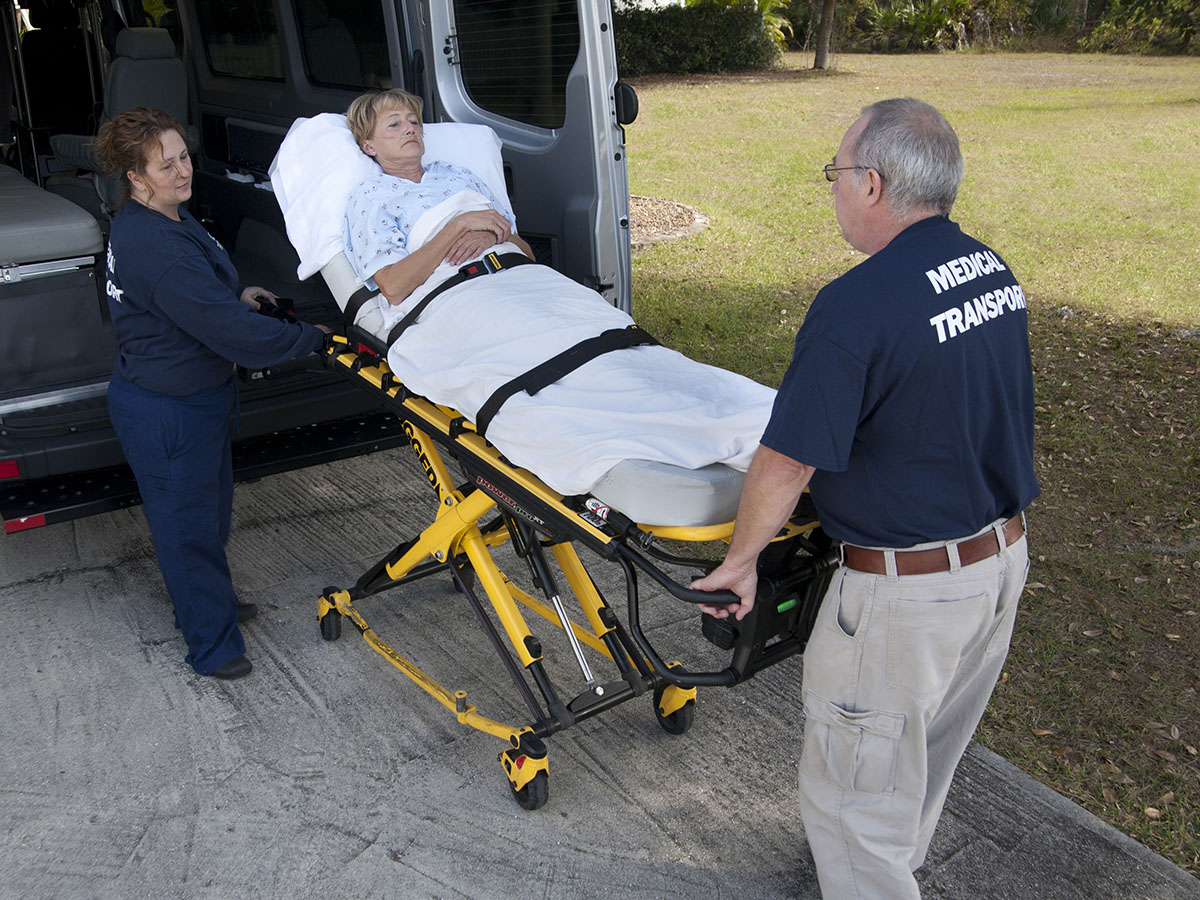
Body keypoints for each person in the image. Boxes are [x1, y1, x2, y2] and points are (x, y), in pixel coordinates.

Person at [693, 98, 1039, 899]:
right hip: (997, 564)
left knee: (854, 801)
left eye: (838, 173)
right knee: (914, 768)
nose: (835, 188)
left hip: (907, 596)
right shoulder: (990, 269)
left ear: (875, 183)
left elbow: (786, 461)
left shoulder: (857, 305)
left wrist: (740, 563)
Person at [338, 89, 774, 503]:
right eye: (393, 124)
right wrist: (457, 227)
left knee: (616, 345)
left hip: (527, 280)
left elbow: (522, 247)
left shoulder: (458, 177)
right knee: (559, 370)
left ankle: (739, 414)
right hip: (460, 298)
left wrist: (495, 232)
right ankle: (656, 444)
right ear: (368, 145)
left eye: (413, 120)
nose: (410, 128)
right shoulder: (371, 197)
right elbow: (393, 286)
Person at [95, 107, 331, 680]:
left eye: (184, 156)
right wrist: (309, 340)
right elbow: (233, 336)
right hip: (167, 411)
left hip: (194, 399)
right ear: (134, 176)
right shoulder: (156, 247)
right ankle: (212, 645)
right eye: (165, 164)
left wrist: (238, 291)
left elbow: (204, 293)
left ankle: (212, 604)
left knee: (209, 516)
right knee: (187, 532)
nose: (183, 171)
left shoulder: (164, 217)